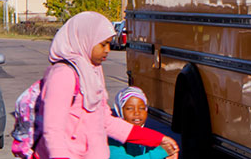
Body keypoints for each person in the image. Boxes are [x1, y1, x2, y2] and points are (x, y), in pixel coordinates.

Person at [40, 11, 177, 159]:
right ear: (86, 39)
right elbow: (53, 130)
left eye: (109, 44)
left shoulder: (91, 72)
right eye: (103, 44)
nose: (107, 50)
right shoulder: (63, 74)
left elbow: (107, 122)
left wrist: (157, 139)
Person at [108, 87, 170, 159]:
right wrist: (161, 152)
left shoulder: (147, 136)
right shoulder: (112, 137)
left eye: (142, 108)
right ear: (120, 111)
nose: (137, 113)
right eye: (130, 108)